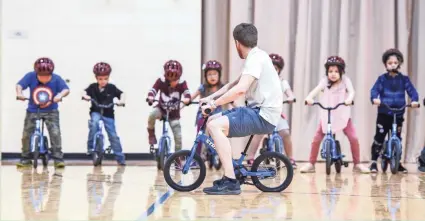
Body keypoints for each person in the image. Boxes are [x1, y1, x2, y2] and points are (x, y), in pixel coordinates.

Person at [200, 23, 283, 195]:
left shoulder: (255, 59)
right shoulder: (258, 56)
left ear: (237, 43)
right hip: (256, 111)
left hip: (262, 115)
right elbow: (233, 84)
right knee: (211, 121)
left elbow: (240, 90)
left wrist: (214, 105)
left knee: (216, 126)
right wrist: (210, 98)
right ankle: (230, 169)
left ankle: (230, 180)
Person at [301, 56, 369, 173]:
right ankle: (311, 164)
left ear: (341, 72)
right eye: (330, 71)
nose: (333, 74)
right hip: (327, 115)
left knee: (353, 138)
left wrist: (349, 99)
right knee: (316, 139)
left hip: (342, 115)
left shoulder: (345, 81)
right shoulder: (324, 81)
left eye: (336, 71)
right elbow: (316, 90)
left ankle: (357, 164)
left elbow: (352, 91)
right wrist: (309, 98)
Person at [369, 48, 419, 173]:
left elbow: (412, 91)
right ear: (386, 64)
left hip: (398, 113)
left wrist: (414, 100)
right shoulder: (382, 79)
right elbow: (374, 90)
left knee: (397, 137)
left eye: (395, 63)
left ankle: (397, 162)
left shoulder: (404, 79)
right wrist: (375, 98)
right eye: (390, 63)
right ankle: (374, 162)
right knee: (379, 138)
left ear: (399, 64)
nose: (392, 65)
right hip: (384, 113)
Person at [16, 57, 70, 168]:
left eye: (47, 76)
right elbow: (19, 85)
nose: (44, 79)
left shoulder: (56, 79)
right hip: (33, 110)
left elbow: (66, 89)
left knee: (55, 133)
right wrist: (19, 93)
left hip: (51, 111)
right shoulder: (30, 76)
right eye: (41, 76)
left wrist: (59, 95)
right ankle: (25, 158)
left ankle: (58, 159)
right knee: (26, 134)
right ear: (36, 73)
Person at [245, 53, 297, 168]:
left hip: (277, 114)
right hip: (263, 113)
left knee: (285, 133)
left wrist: (290, 98)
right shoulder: (260, 81)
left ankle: (290, 158)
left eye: (276, 69)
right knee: (258, 134)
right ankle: (250, 157)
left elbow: (290, 93)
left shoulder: (282, 82)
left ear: (279, 70)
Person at [82, 62, 126, 166]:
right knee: (94, 124)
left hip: (108, 114)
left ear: (109, 78)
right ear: (96, 78)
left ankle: (120, 158)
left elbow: (122, 94)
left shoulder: (111, 87)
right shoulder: (92, 87)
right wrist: (85, 96)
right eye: (100, 79)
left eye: (105, 79)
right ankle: (90, 147)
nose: (103, 81)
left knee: (113, 135)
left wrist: (121, 101)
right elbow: (84, 92)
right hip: (96, 111)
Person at [146, 60, 191, 154]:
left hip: (174, 115)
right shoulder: (161, 81)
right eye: (170, 80)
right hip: (161, 110)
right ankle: (151, 134)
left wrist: (187, 99)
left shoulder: (182, 83)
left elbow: (187, 92)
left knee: (178, 136)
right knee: (151, 115)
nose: (173, 82)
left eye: (175, 80)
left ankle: (177, 156)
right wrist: (150, 97)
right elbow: (153, 90)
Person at [191, 60, 225, 158]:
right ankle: (196, 156)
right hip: (203, 114)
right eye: (209, 74)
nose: (212, 77)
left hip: (217, 114)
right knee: (199, 135)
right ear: (205, 76)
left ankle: (219, 154)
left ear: (219, 75)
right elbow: (192, 97)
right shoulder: (203, 87)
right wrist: (186, 101)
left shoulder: (222, 88)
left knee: (218, 134)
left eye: (215, 74)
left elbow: (230, 99)